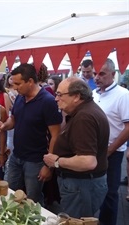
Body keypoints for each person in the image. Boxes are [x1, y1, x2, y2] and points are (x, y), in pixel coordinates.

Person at [0, 63, 62, 204]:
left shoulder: (47, 101)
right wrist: (4, 126)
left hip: (36, 160)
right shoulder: (20, 97)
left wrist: (49, 166)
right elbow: (14, 119)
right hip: (16, 156)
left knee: (33, 200)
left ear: (30, 81)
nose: (14, 87)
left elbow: (56, 135)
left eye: (18, 84)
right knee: (9, 194)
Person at [43, 77, 109, 218]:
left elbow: (88, 161)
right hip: (82, 185)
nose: (56, 98)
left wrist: (56, 161)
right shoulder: (85, 112)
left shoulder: (84, 118)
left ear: (77, 97)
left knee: (75, 220)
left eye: (60, 95)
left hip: (81, 186)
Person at [93, 58, 129, 225]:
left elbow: (128, 127)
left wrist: (109, 150)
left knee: (109, 194)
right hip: (93, 151)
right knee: (95, 190)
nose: (97, 77)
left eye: (101, 73)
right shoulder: (94, 94)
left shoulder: (123, 95)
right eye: (95, 74)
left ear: (113, 75)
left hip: (112, 153)